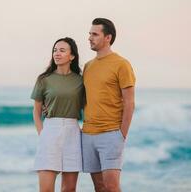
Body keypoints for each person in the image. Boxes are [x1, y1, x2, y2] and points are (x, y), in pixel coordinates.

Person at [82, 18, 136, 192]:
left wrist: (122, 135)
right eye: (90, 34)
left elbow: (129, 102)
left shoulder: (121, 64)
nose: (90, 37)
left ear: (108, 37)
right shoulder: (88, 66)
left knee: (111, 187)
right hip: (88, 134)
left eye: (95, 34)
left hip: (111, 134)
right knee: (99, 187)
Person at [31, 37, 84, 192]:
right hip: (50, 130)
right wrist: (42, 133)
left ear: (72, 56)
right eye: (55, 50)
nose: (57, 53)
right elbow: (36, 110)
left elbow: (88, 107)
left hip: (73, 131)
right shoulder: (44, 79)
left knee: (69, 189)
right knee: (46, 189)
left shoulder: (80, 81)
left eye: (62, 50)